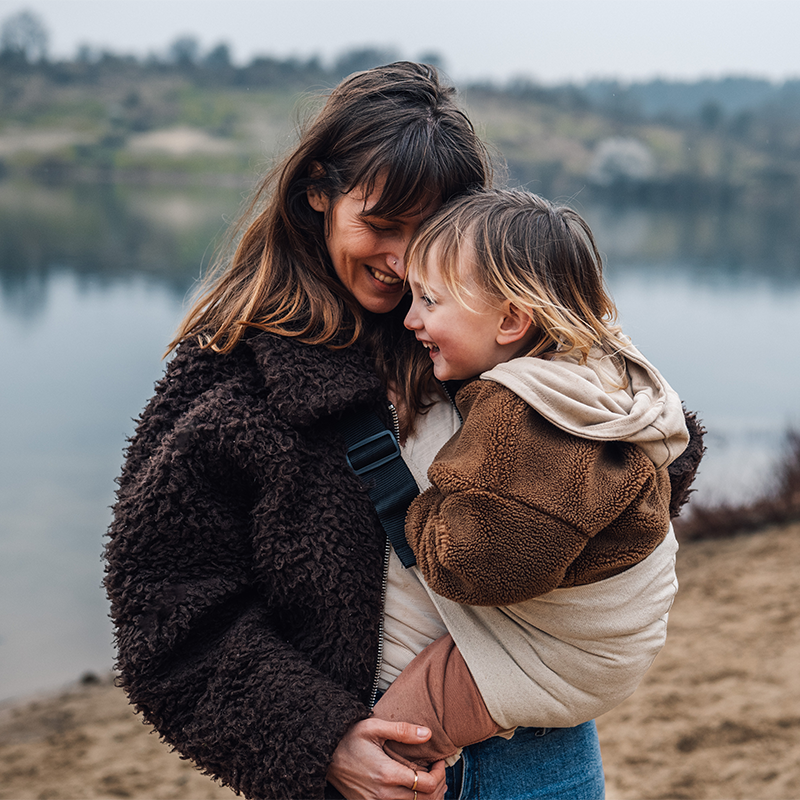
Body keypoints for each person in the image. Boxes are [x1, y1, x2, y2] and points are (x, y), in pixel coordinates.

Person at [103, 63, 701, 800]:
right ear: (317, 191)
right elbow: (166, 610)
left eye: (429, 232)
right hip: (366, 770)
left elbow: (650, 464)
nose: (402, 260)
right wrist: (320, 742)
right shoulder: (229, 374)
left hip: (540, 748)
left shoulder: (510, 332)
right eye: (382, 226)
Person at [371, 188, 703, 771]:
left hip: (572, 651)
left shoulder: (520, 410)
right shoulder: (596, 368)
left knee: (401, 730)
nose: (410, 318)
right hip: (622, 643)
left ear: (511, 320)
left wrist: (417, 503)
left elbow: (474, 564)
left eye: (430, 300)